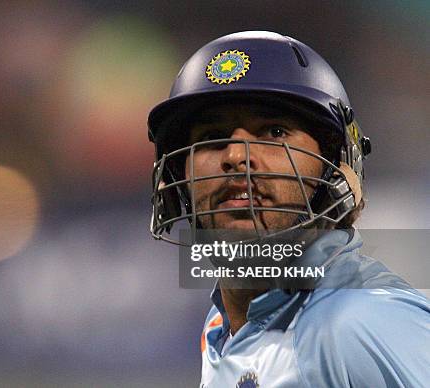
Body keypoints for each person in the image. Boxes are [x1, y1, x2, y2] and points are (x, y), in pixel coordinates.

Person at [147, 31, 429, 387]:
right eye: (211, 136)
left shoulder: (357, 325)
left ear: (336, 167)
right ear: (176, 177)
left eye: (274, 131)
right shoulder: (223, 328)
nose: (236, 157)